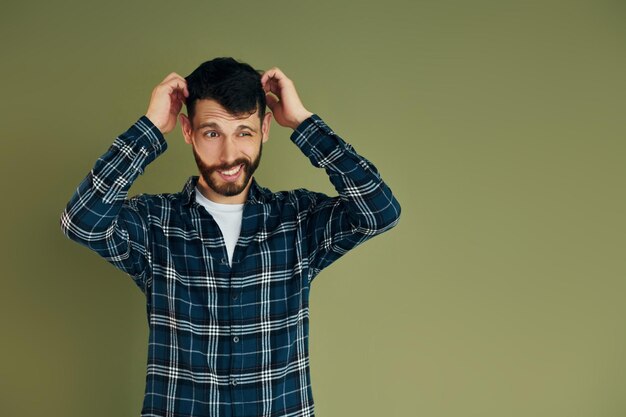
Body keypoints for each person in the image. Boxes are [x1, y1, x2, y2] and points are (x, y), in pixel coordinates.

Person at [60, 57, 401, 417]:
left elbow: (380, 211)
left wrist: (304, 123)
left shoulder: (297, 219)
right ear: (187, 131)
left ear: (265, 128)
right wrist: (149, 129)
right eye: (212, 133)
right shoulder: (154, 223)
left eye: (244, 132)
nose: (229, 155)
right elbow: (82, 222)